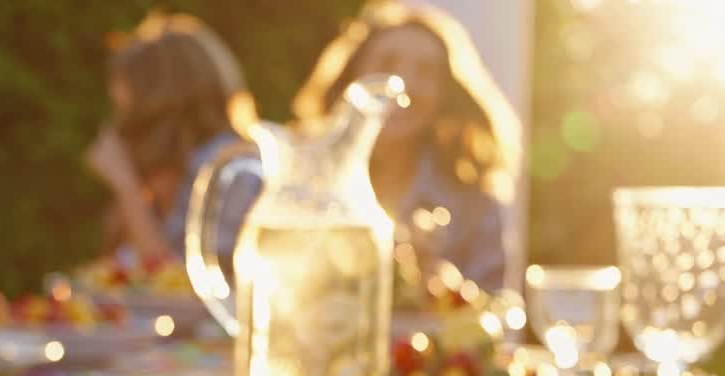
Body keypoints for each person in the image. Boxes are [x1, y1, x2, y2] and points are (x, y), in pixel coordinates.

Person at [293, 2, 522, 291]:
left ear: (445, 95)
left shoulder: (472, 199)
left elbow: (496, 310)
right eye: (386, 63)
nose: (403, 83)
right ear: (351, 78)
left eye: (426, 71)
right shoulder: (299, 183)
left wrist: (453, 295)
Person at [85, 12, 258, 263]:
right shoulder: (169, 172)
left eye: (129, 112)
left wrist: (126, 185)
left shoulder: (228, 170)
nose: (122, 127)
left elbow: (187, 286)